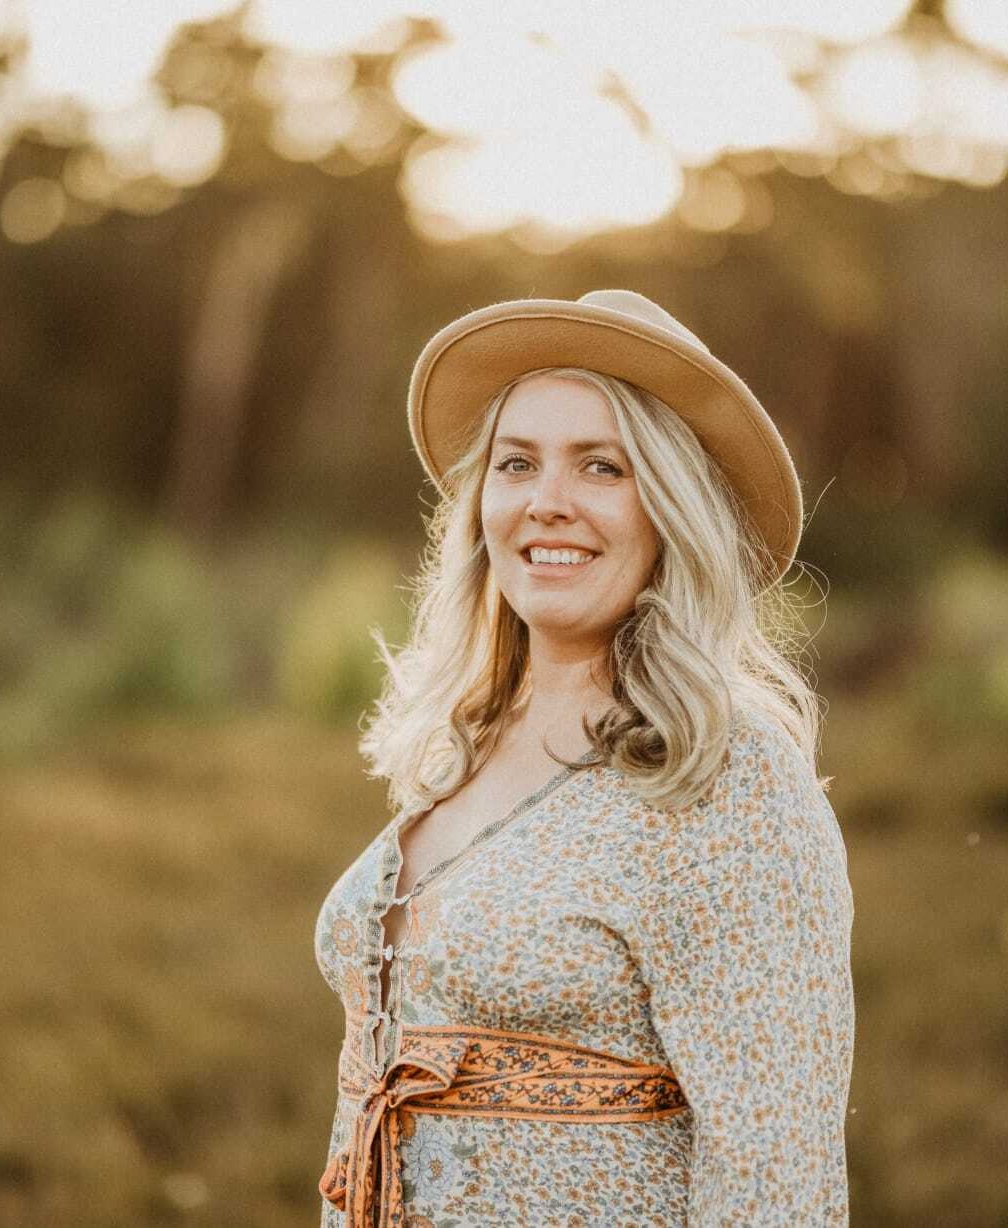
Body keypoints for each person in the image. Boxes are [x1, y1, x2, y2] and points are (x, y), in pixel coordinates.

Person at [314, 289, 855, 1227]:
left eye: (602, 466)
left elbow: (775, 1177)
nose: (547, 502)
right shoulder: (463, 743)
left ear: (674, 509)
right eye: (516, 463)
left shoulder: (729, 777)